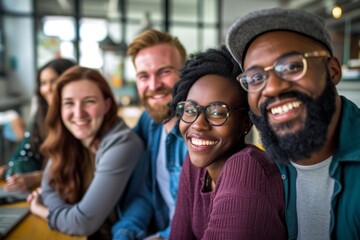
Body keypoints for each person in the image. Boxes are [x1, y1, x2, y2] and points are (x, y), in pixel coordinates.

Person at [226, 7, 360, 240]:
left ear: (332, 70)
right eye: (256, 77)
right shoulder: (257, 169)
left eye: (293, 66)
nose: (273, 87)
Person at [167, 46, 286, 239]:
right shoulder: (196, 162)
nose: (198, 124)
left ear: (246, 122)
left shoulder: (248, 168)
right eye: (190, 110)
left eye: (217, 113)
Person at [27, 66, 145, 239]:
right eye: (69, 103)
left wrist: (41, 209)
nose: (78, 113)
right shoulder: (71, 138)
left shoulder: (123, 144)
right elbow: (48, 187)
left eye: (89, 101)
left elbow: (82, 224)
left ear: (107, 105)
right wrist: (63, 213)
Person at [112, 29, 188, 239]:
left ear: (186, 72)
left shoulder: (200, 132)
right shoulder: (149, 122)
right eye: (143, 76)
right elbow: (146, 193)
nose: (153, 85)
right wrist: (125, 232)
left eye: (164, 71)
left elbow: (202, 217)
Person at [0, 58, 76, 192]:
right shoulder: (40, 115)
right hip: (42, 191)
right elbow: (18, 161)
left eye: (53, 81)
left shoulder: (78, 118)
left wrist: (36, 177)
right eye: (43, 83)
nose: (47, 89)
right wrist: (14, 171)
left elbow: (73, 170)